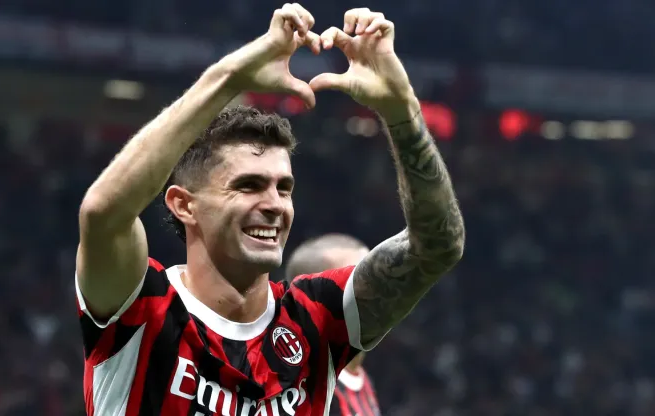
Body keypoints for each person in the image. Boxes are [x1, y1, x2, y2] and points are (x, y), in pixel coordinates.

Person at [75, 4, 465, 415]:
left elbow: (437, 247)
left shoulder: (317, 319)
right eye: (249, 186)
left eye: (284, 188)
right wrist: (228, 78)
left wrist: (401, 108)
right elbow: (103, 214)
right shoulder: (141, 306)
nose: (274, 205)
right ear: (183, 205)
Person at [285, 234, 381, 416]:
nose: (375, 294)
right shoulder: (302, 389)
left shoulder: (357, 375)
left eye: (375, 279)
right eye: (356, 283)